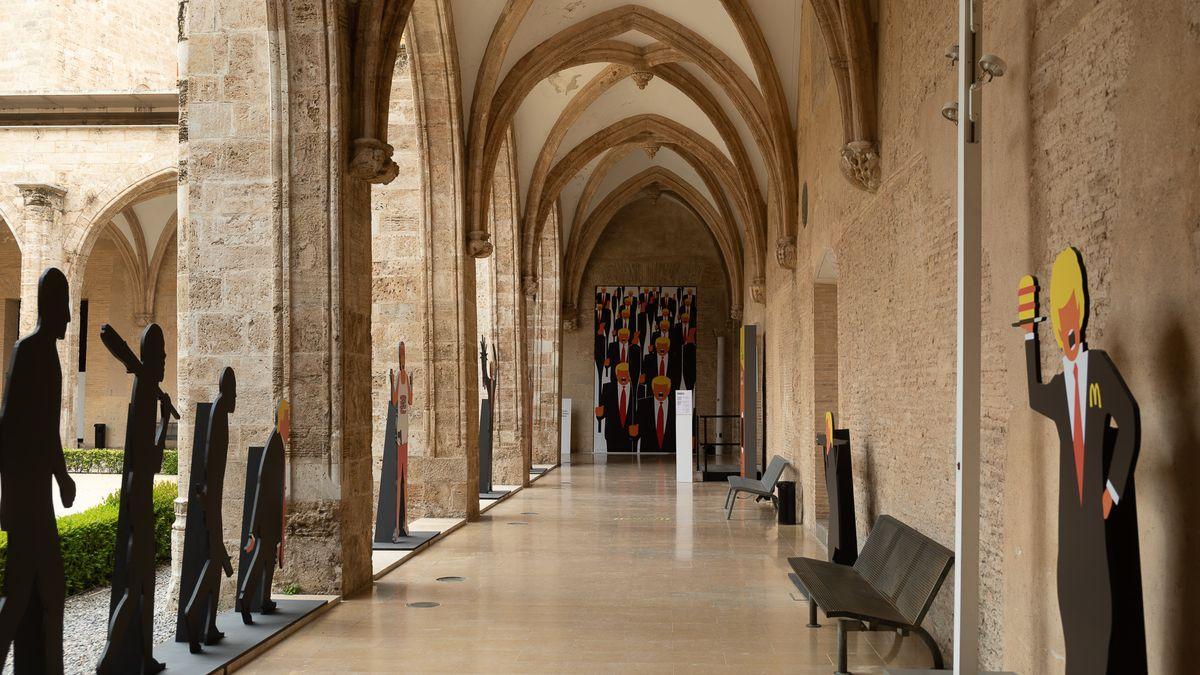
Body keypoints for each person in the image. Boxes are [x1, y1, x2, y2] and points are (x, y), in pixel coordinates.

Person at [1020, 247, 1144, 674]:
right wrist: (1029, 334)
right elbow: (1034, 395)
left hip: (1097, 522)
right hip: (1070, 529)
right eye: (1060, 315)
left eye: (1072, 310)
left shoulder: (1099, 369)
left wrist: (1112, 489)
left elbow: (1129, 420)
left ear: (1082, 312)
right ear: (1056, 323)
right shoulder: (1059, 386)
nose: (1067, 322)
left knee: (1103, 618)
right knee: (1073, 612)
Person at [0, 268, 77, 674]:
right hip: (27, 498)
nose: (69, 318)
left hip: (36, 497)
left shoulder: (46, 353)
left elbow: (46, 429)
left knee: (37, 591)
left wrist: (61, 477)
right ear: (52, 306)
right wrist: (8, 498)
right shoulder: (28, 350)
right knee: (24, 594)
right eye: (65, 307)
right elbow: (9, 425)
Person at [97, 323, 175, 674]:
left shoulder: (144, 388)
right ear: (151, 357)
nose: (165, 359)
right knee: (135, 586)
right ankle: (109, 658)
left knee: (144, 585)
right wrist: (164, 420)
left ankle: (143, 657)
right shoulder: (144, 393)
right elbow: (152, 460)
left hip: (139, 495)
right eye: (161, 354)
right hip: (139, 498)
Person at [180, 368, 236, 653]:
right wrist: (206, 497)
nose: (236, 399)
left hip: (213, 499)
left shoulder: (221, 413)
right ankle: (193, 612)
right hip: (210, 500)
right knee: (213, 561)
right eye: (235, 393)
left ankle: (208, 624)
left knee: (215, 562)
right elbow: (206, 457)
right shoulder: (217, 412)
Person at [237, 401, 289, 625]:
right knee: (260, 561)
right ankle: (245, 598)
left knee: (268, 561)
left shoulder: (279, 444)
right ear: (281, 420)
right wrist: (253, 529)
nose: (289, 425)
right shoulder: (274, 444)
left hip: (271, 519)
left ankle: (265, 600)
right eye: (287, 420)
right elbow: (261, 485)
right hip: (266, 521)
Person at [595, 363, 636, 451]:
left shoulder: (636, 389)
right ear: (616, 374)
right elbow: (602, 412)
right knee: (611, 459)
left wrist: (637, 432)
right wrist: (599, 415)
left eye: (626, 373)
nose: (623, 376)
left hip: (630, 436)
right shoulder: (607, 388)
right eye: (621, 373)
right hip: (612, 435)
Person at [631, 376, 675, 452]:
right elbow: (636, 432)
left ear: (669, 389)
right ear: (653, 389)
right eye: (657, 388)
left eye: (663, 388)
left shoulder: (676, 405)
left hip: (671, 454)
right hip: (648, 454)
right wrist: (633, 434)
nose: (660, 391)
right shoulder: (643, 404)